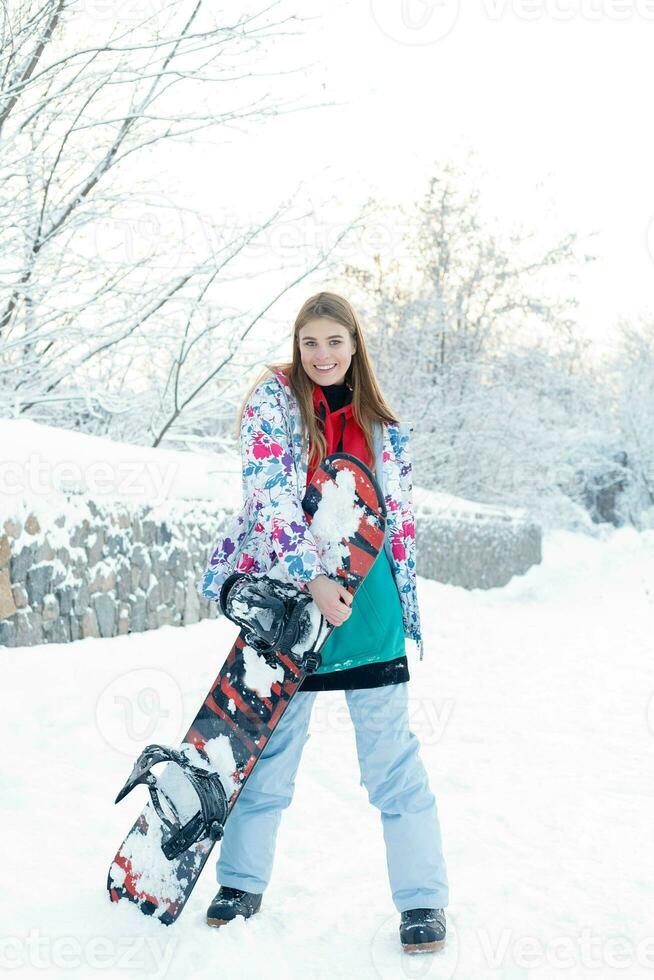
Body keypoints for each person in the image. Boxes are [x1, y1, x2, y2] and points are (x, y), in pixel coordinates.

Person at [201, 291, 449, 953]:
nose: (322, 355)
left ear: (355, 344)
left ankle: (423, 901)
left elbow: (392, 520)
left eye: (334, 342)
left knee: (391, 763)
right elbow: (271, 491)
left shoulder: (381, 424)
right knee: (268, 755)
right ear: (296, 343)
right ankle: (241, 882)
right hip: (293, 603)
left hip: (369, 610)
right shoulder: (274, 403)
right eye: (310, 342)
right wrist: (310, 576)